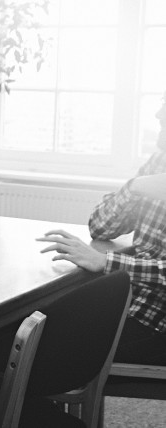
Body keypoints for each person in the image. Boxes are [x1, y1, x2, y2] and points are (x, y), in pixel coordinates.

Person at [36, 98, 166, 366]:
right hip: (124, 299)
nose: (158, 112)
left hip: (154, 323)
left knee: (38, 344)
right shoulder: (159, 161)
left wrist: (106, 262)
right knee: (32, 322)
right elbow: (101, 226)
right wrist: (136, 186)